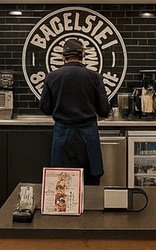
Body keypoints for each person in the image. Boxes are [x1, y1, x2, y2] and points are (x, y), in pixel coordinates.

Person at [39, 38, 111, 185]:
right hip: (88, 137)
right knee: (90, 181)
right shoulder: (94, 77)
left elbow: (45, 108)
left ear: (63, 57)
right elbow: (104, 110)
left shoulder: (52, 77)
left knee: (62, 181)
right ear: (83, 55)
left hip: (62, 135)